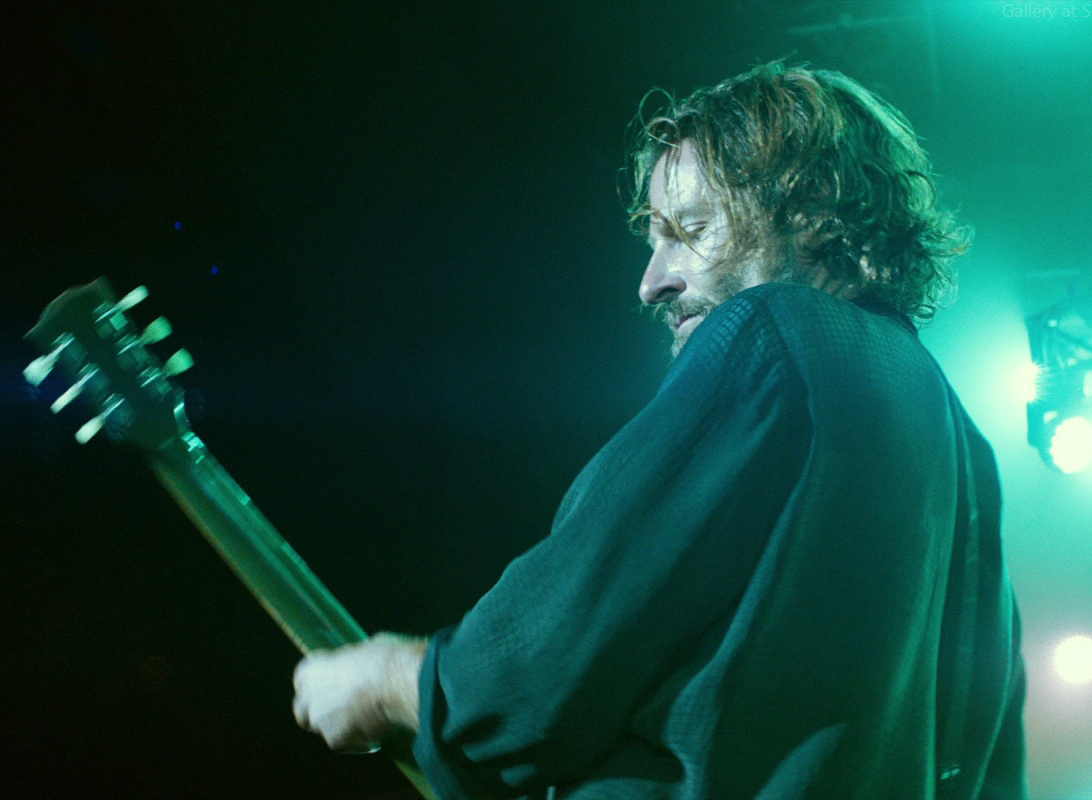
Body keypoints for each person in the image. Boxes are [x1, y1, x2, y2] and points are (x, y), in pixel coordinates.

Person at [291, 61, 1025, 800]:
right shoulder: (970, 458)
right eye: (654, 239)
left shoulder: (771, 332)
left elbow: (528, 675)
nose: (652, 281)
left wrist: (388, 679)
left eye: (688, 231)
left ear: (813, 209)